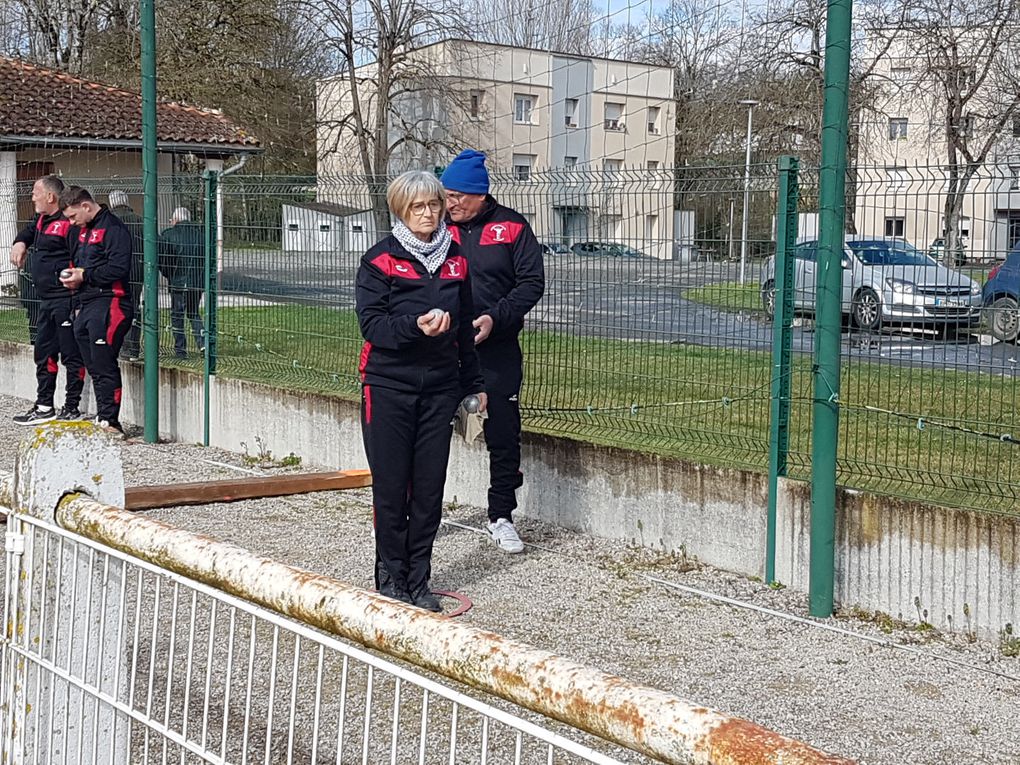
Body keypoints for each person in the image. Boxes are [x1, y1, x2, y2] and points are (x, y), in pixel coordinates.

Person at [356, 170, 486, 611]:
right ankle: (391, 578)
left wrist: (475, 386)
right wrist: (415, 326)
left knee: (429, 489)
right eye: (418, 207)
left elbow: (466, 327)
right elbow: (372, 325)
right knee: (394, 487)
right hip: (388, 385)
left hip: (440, 388)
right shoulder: (379, 260)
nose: (428, 213)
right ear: (401, 210)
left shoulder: (456, 258)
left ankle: (419, 580)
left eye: (433, 204)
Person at [441, 150, 545, 554]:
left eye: (457, 197)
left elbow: (531, 284)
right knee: (432, 431)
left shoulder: (512, 228)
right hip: (444, 350)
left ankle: (500, 516)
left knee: (502, 434)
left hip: (496, 350)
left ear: (480, 194)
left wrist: (495, 318)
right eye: (446, 195)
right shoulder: (436, 229)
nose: (450, 204)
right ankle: (424, 513)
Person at [8, 175, 85, 424]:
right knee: (43, 352)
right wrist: (19, 243)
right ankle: (44, 406)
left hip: (67, 299)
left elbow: (82, 255)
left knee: (71, 355)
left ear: (50, 196)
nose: (32, 198)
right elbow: (28, 232)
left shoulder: (69, 222)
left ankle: (72, 406)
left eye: (35, 193)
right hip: (46, 300)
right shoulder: (41, 219)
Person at [58, 186, 134, 434]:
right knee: (91, 362)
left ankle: (111, 421)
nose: (71, 222)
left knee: (104, 362)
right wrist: (73, 278)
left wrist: (86, 275)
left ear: (86, 206)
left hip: (111, 301)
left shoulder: (113, 229)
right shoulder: (82, 231)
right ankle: (103, 418)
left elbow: (119, 268)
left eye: (72, 216)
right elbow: (79, 265)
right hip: (86, 302)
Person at [158, 207, 205, 358]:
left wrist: (169, 275)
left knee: (177, 315)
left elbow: (164, 260)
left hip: (177, 282)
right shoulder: (201, 236)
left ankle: (180, 349)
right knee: (193, 313)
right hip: (196, 282)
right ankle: (203, 343)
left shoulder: (168, 235)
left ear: (175, 220)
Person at [109, 191, 144, 360]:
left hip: (116, 271)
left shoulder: (108, 221)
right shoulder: (140, 221)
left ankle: (119, 345)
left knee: (115, 307)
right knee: (134, 307)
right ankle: (133, 348)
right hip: (137, 270)